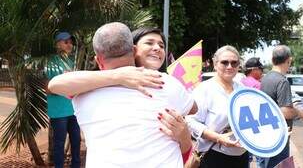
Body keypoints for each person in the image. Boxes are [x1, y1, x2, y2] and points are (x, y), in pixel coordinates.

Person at [48, 27, 195, 160]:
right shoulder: (165, 83)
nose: (156, 49)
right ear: (134, 50)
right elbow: (194, 108)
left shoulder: (83, 88)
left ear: (98, 60)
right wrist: (119, 76)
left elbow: (55, 85)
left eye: (161, 45)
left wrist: (115, 76)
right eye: (149, 43)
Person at [187, 45, 249, 168]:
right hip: (214, 155)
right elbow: (190, 121)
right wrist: (218, 138)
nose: (230, 66)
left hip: (242, 155)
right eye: (224, 62)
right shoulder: (204, 89)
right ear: (215, 65)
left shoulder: (243, 90)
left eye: (234, 63)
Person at [260, 45, 303, 168]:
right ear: (289, 60)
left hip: (266, 132)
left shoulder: (266, 78)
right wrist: (299, 112)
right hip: (279, 135)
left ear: (272, 59)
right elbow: (285, 111)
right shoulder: (282, 81)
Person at [45, 32, 80, 168]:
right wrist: (64, 84)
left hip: (72, 109)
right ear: (57, 43)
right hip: (59, 112)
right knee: (59, 144)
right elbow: (48, 88)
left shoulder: (69, 62)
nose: (70, 45)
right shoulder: (51, 62)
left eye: (71, 42)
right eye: (66, 42)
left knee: (76, 141)